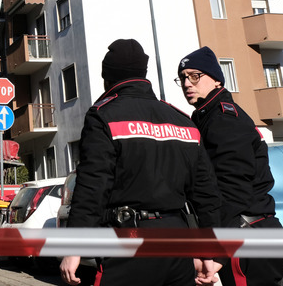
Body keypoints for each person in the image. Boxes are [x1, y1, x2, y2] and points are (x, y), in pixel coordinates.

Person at [60, 39, 222, 286]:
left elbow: (93, 185)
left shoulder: (104, 116)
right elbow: (206, 193)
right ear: (143, 74)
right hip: (177, 241)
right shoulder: (182, 121)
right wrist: (208, 251)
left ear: (108, 78)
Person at [177, 46, 283, 286]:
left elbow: (233, 187)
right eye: (183, 77)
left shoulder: (224, 118)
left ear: (216, 79)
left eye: (195, 76)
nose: (187, 83)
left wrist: (219, 250)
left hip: (247, 236)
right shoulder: (207, 116)